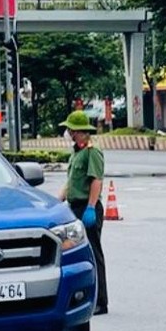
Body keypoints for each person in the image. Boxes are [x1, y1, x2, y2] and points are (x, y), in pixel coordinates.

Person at [57, 110, 108, 316]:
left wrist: (90, 207)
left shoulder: (91, 152)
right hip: (74, 207)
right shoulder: (77, 152)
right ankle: (85, 297)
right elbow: (71, 182)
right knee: (77, 255)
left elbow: (96, 179)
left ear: (79, 131)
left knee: (94, 254)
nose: (68, 132)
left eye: (70, 129)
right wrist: (56, 202)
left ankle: (101, 301)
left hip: (88, 207)